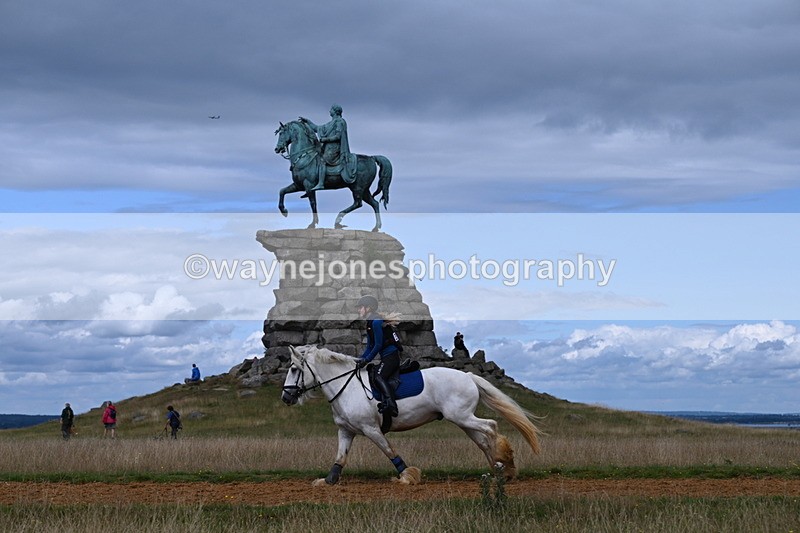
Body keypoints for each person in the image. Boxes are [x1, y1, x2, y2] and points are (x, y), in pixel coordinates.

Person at [355, 295, 402, 418]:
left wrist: (367, 360)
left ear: (368, 308)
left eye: (360, 307)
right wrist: (359, 360)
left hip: (391, 357)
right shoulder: (370, 323)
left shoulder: (376, 322)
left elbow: (378, 345)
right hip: (386, 357)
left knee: (378, 376)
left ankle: (391, 404)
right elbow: (369, 346)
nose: (358, 310)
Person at [298, 104, 356, 193]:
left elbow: (338, 136)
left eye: (331, 109)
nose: (329, 111)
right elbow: (317, 128)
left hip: (334, 148)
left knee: (322, 161)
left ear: (335, 111)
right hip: (327, 147)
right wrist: (307, 122)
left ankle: (321, 183)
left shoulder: (340, 122)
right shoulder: (330, 123)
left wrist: (325, 139)